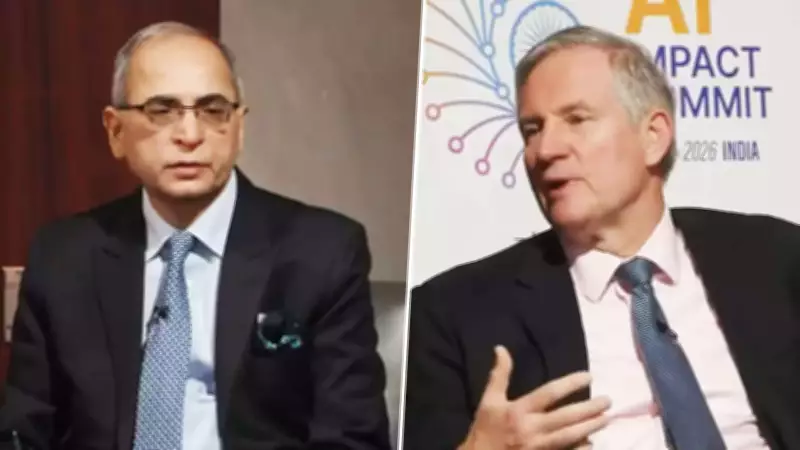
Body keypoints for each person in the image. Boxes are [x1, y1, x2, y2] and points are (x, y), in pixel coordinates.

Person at [403, 25, 800, 450]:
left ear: (653, 137)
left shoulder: (777, 259)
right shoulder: (454, 311)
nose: (545, 150)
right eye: (532, 129)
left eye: (576, 119)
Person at [0, 22, 391, 450]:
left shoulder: (321, 252)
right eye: (161, 110)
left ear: (239, 126)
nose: (190, 135)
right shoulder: (64, 257)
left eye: (213, 110)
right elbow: (25, 427)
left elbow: (351, 436)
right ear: (115, 131)